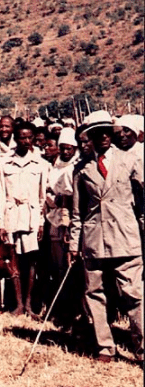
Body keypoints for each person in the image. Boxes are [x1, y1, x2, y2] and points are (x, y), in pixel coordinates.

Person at [69, 110, 144, 363]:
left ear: (112, 134)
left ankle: (142, 347)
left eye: (106, 131)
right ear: (88, 137)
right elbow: (77, 212)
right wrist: (73, 243)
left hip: (126, 238)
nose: (102, 136)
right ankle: (105, 347)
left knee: (133, 294)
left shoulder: (130, 161)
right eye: (96, 133)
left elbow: (142, 203)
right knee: (95, 294)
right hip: (94, 240)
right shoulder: (81, 170)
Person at [0, 122, 48, 318]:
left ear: (33, 138)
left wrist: (41, 221)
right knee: (13, 260)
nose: (25, 141)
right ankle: (18, 304)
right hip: (11, 214)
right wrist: (0, 222)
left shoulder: (40, 163)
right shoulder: (4, 163)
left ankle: (29, 304)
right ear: (15, 139)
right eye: (21, 137)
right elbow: (1, 193)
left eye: (29, 137)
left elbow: (42, 196)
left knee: (32, 261)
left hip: (32, 215)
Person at [43, 128, 79, 325]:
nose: (66, 153)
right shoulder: (55, 167)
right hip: (54, 219)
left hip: (69, 221)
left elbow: (68, 198)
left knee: (70, 270)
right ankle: (61, 308)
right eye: (63, 148)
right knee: (57, 267)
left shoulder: (75, 167)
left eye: (70, 149)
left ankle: (73, 311)